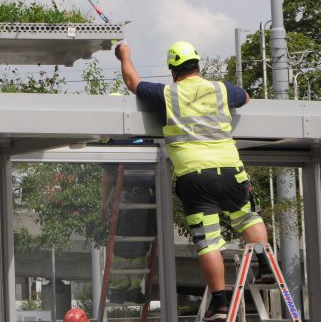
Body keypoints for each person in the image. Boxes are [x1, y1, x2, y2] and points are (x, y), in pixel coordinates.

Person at [114, 40, 275, 322]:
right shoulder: (220, 90)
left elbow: (132, 82)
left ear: (173, 70)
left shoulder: (168, 94)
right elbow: (246, 97)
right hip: (230, 169)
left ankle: (221, 303)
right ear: (198, 65)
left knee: (209, 242)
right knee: (247, 216)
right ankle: (265, 266)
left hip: (194, 176)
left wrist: (124, 54)